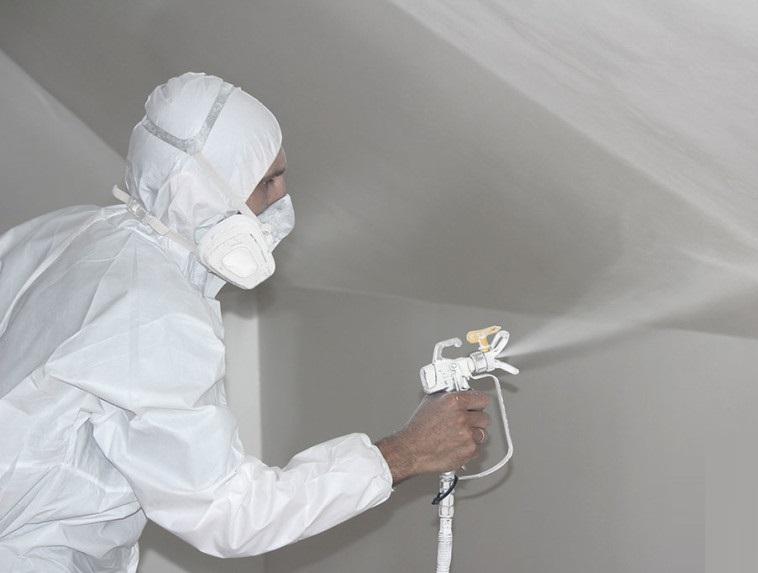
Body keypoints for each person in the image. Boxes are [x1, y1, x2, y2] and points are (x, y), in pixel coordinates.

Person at [0, 72, 491, 572]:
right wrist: (405, 452)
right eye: (265, 182)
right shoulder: (156, 317)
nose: (281, 199)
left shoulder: (65, 232)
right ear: (204, 193)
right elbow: (229, 513)